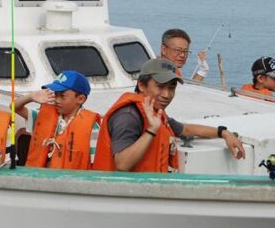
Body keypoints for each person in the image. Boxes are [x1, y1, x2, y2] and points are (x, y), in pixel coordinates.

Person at [93, 58, 245, 173]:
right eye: (160, 87)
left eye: (172, 88)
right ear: (141, 85)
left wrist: (224, 133)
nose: (166, 95)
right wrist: (151, 131)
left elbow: (185, 129)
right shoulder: (128, 116)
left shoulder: (154, 112)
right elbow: (122, 163)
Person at [15, 70, 100, 170]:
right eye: (55, 94)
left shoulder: (92, 127)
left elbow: (96, 163)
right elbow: (15, 107)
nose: (57, 100)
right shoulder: (42, 116)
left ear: (80, 99)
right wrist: (30, 97)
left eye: (62, 96)